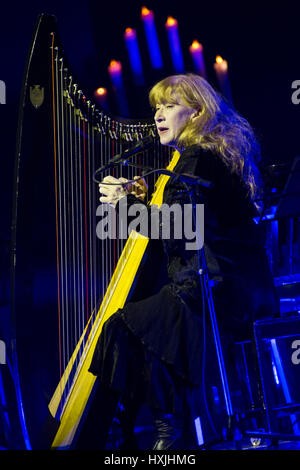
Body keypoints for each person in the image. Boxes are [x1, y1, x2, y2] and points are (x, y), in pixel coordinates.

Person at [83, 74, 278, 450]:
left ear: (196, 113)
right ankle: (165, 431)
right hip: (230, 284)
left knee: (123, 327)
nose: (158, 113)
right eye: (156, 106)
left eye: (169, 105)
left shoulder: (197, 157)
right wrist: (141, 200)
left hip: (215, 288)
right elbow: (187, 220)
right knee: (136, 324)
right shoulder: (205, 156)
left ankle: (165, 434)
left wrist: (122, 205)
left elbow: (178, 229)